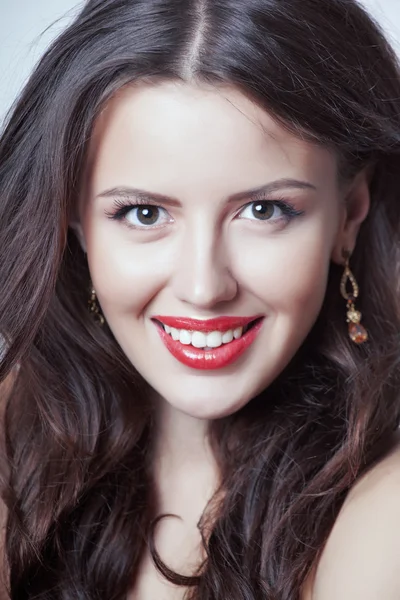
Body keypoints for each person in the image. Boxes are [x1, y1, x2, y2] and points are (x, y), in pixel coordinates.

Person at [1, 0, 400, 598]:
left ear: (349, 215)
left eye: (264, 211)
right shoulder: (18, 429)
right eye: (143, 213)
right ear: (74, 221)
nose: (203, 286)